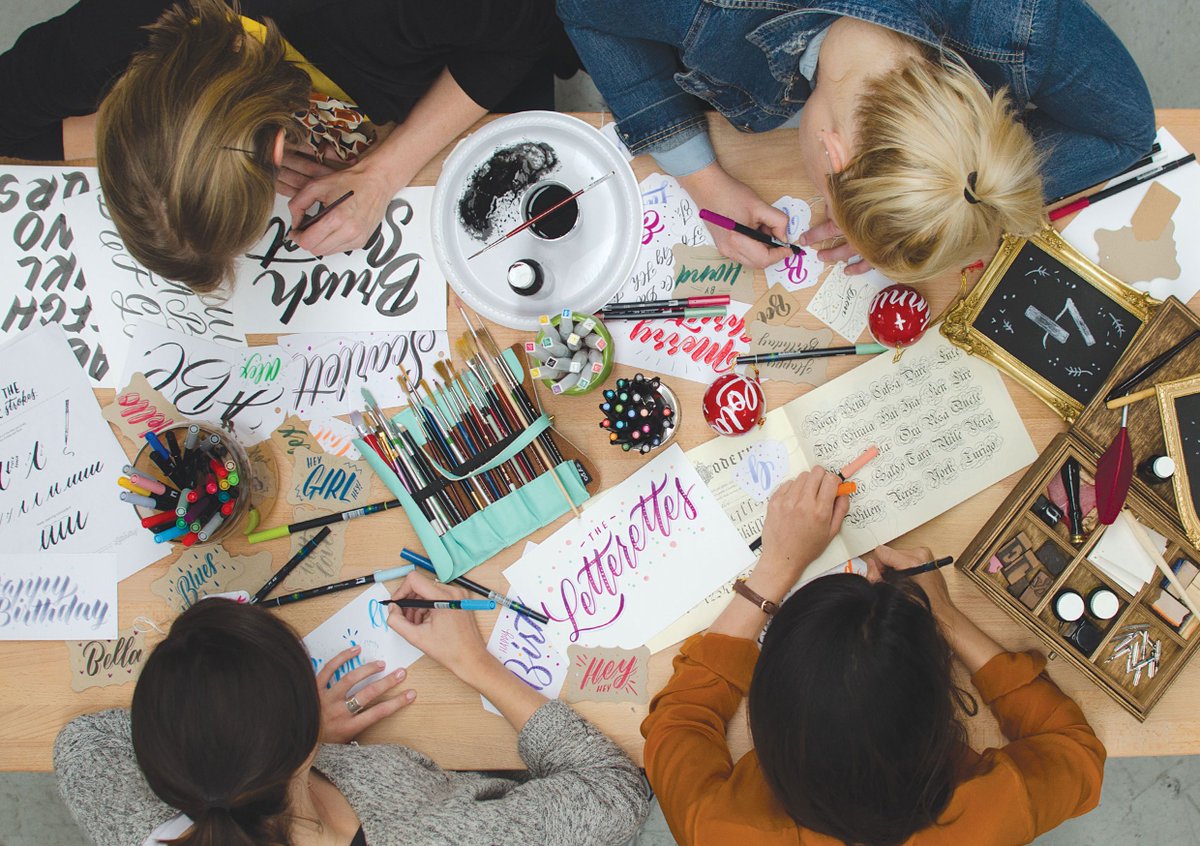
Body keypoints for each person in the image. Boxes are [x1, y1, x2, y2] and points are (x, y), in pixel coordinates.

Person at [642, 469, 1106, 846]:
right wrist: (942, 613)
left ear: (767, 706)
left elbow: (679, 722)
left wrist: (774, 569)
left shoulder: (722, 834)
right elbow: (1077, 753)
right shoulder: (992, 815)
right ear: (941, 698)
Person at [558, 0, 1156, 282]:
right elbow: (583, 10)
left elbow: (1128, 129)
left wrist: (951, 201)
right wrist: (698, 175)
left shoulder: (1016, 21)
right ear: (833, 152)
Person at [0, 0, 575, 290]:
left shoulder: (380, 12)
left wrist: (385, 169)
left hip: (479, 93)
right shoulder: (106, 35)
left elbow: (532, 26)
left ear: (278, 145)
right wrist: (171, 142)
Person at [54, 574, 649, 846]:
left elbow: (84, 743)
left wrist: (289, 745)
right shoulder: (435, 835)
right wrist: (476, 664)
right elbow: (614, 795)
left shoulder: (142, 827)